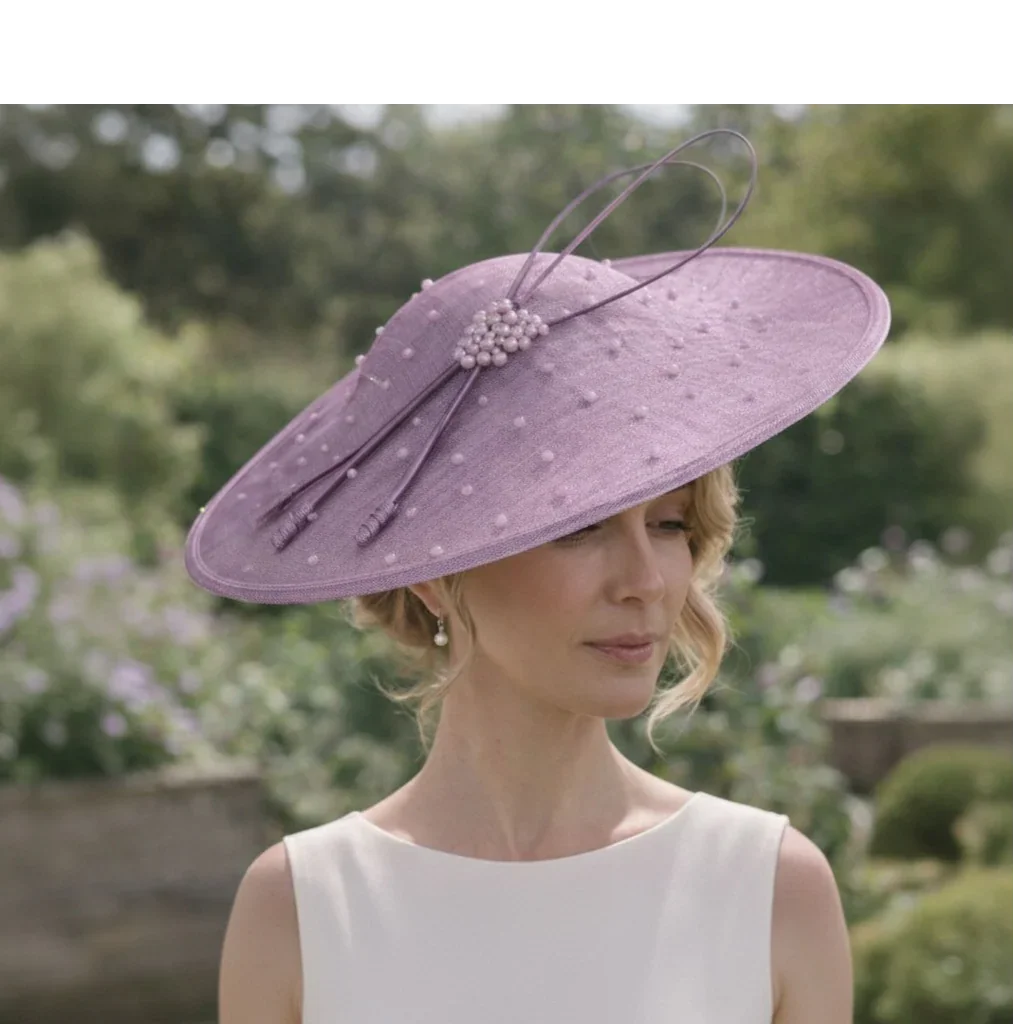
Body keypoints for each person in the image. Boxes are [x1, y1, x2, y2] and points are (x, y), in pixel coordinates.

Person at [186, 130, 891, 1023]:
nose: (646, 580)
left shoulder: (770, 891)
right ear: (437, 573)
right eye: (582, 529)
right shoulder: (302, 908)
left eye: (670, 524)